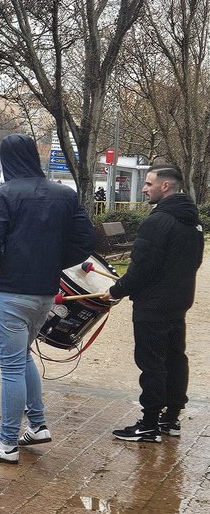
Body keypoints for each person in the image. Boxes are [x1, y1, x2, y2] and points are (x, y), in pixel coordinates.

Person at [0, 134, 94, 464]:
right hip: (45, 293)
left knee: (10, 367)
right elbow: (85, 240)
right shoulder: (64, 194)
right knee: (22, 357)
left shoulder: (3, 194)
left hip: (10, 292)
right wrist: (52, 261)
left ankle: (7, 442)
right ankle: (37, 425)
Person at [105, 165, 203, 443]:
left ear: (165, 186)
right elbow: (193, 263)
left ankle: (148, 424)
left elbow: (142, 267)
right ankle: (170, 419)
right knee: (175, 359)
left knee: (152, 364)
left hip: (153, 305)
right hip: (178, 302)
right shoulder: (192, 222)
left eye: (148, 184)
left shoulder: (158, 221)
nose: (144, 188)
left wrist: (116, 290)